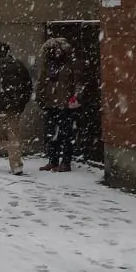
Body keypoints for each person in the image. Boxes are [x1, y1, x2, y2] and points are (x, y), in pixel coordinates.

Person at [0, 42, 33, 175]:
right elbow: (27, 86)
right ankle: (16, 164)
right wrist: (20, 104)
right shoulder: (18, 65)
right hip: (13, 108)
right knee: (14, 136)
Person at [36, 37, 83, 172]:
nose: (54, 53)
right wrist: (40, 97)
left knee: (66, 133)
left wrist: (76, 97)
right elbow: (42, 81)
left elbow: (78, 82)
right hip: (50, 103)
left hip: (65, 104)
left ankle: (66, 162)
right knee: (52, 133)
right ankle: (53, 160)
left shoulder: (70, 64)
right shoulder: (48, 64)